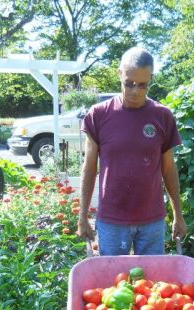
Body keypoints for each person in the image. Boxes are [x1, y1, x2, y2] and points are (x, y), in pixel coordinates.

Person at [77, 47, 187, 255]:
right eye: (129, 83)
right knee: (112, 284)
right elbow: (89, 168)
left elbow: (169, 169)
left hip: (152, 221)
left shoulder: (162, 116)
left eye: (142, 85)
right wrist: (83, 217)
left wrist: (178, 215)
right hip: (112, 220)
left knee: (153, 284)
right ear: (120, 74)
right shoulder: (98, 115)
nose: (135, 90)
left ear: (151, 80)